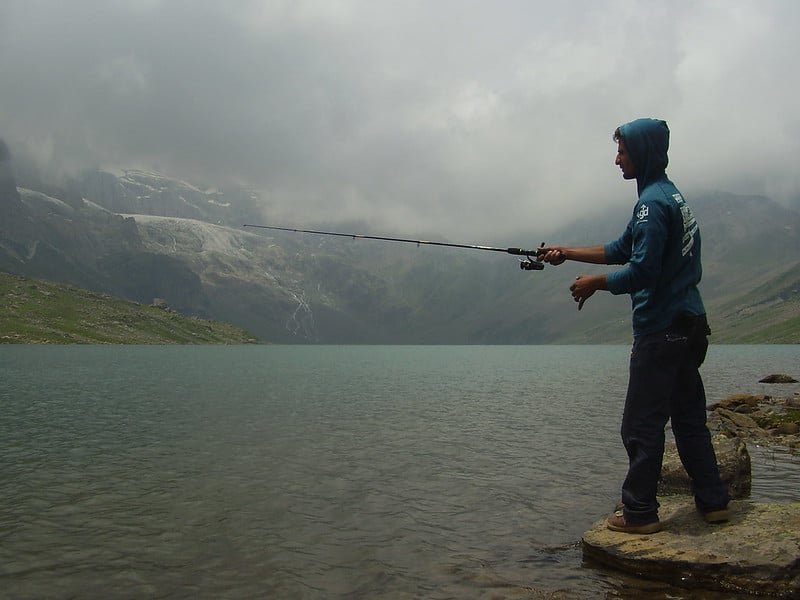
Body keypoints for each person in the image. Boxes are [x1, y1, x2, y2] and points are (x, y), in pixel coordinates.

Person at [538, 118, 730, 534]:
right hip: (691, 325)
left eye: (622, 151)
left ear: (640, 153)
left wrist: (597, 284)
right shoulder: (669, 196)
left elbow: (642, 270)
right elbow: (622, 248)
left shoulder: (649, 206)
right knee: (689, 419)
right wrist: (565, 252)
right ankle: (714, 503)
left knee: (640, 425)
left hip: (661, 331)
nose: (616, 159)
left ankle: (640, 513)